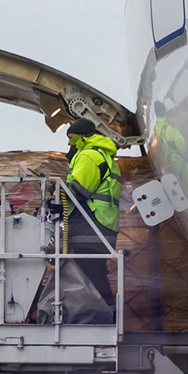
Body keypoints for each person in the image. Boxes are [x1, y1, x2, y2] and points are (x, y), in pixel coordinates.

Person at [64, 117, 122, 316]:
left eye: (71, 138)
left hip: (91, 224)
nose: (68, 143)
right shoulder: (103, 155)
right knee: (94, 271)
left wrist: (56, 192)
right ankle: (107, 312)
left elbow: (79, 191)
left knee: (88, 273)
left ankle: (102, 315)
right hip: (101, 224)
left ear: (81, 136)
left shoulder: (89, 155)